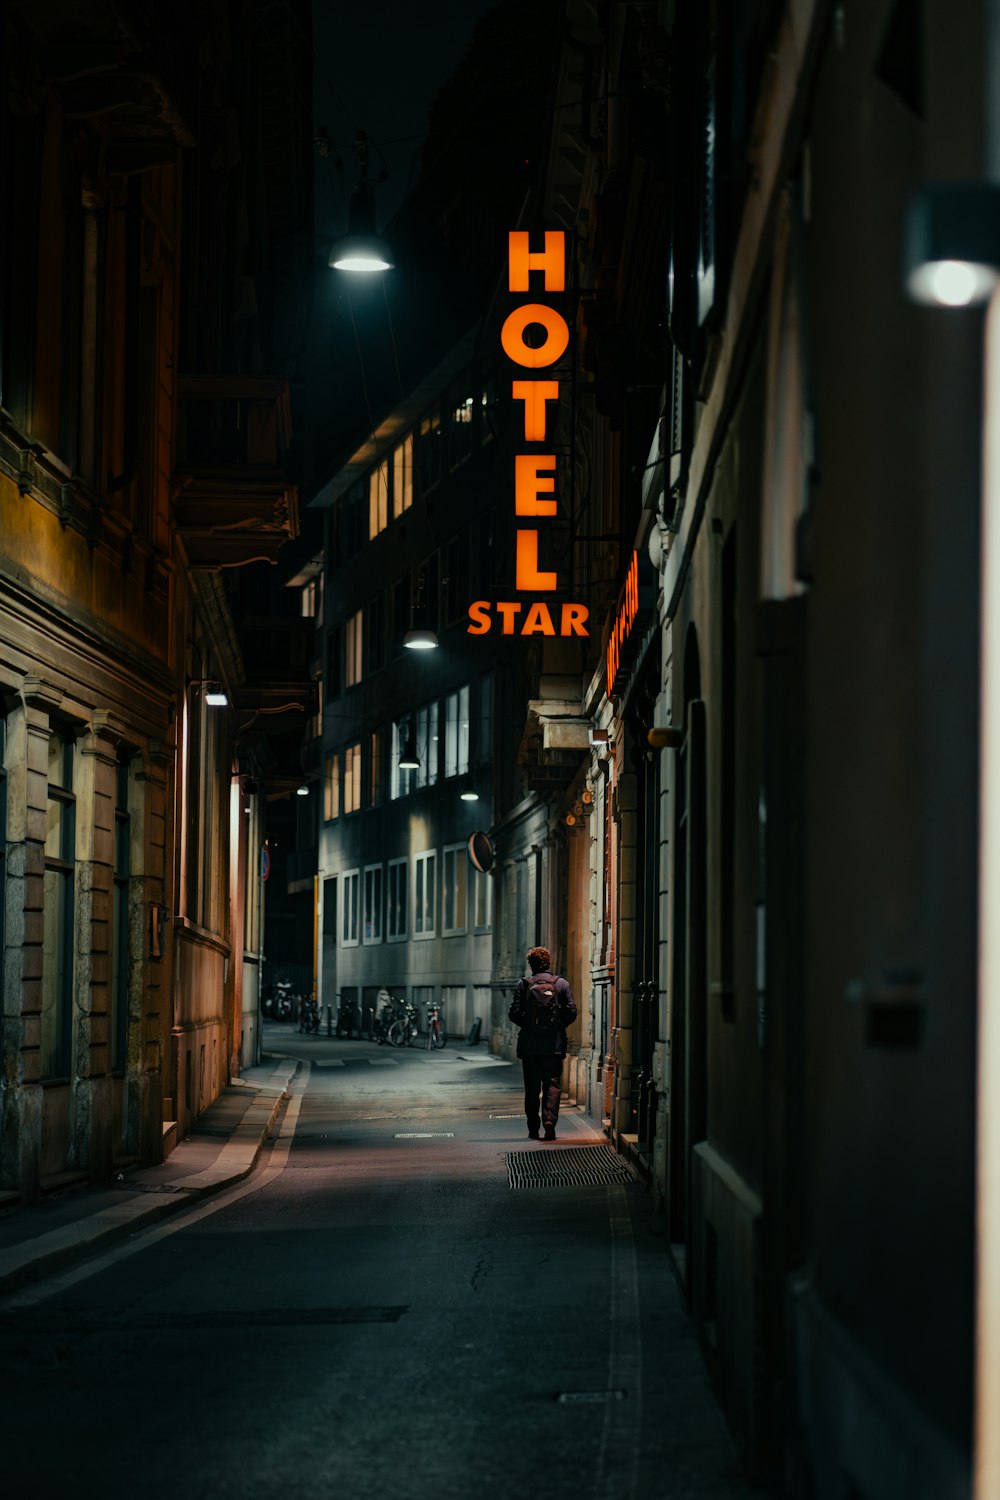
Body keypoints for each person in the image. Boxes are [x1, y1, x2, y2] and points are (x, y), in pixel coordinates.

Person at [508, 946, 577, 1141]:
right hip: (553, 1046)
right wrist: (557, 1026)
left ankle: (532, 1128)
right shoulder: (561, 984)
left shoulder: (523, 984)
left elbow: (513, 1013)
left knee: (532, 1087)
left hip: (530, 1047)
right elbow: (572, 1011)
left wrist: (529, 1025)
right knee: (552, 1085)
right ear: (549, 963)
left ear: (531, 964)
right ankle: (549, 1121)